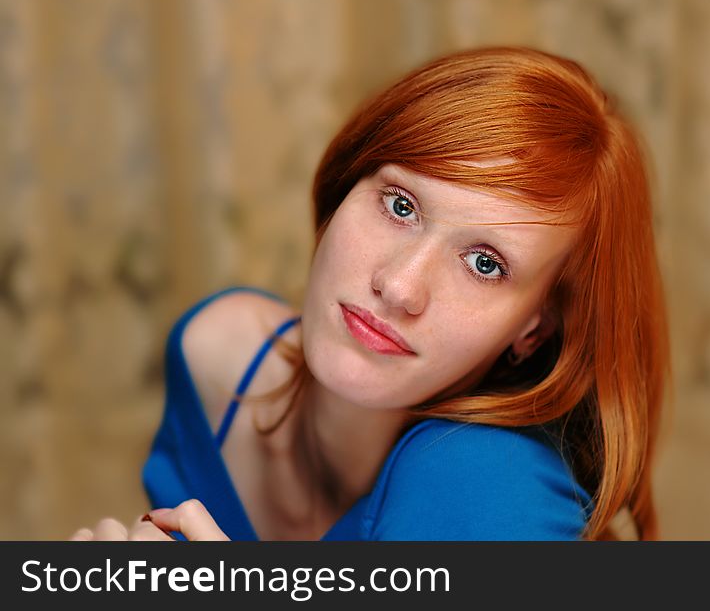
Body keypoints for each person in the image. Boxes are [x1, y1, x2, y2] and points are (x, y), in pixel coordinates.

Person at [70, 46, 670, 542]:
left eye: (485, 264)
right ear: (343, 187)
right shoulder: (214, 354)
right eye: (401, 205)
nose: (401, 286)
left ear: (532, 330)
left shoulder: (491, 482)